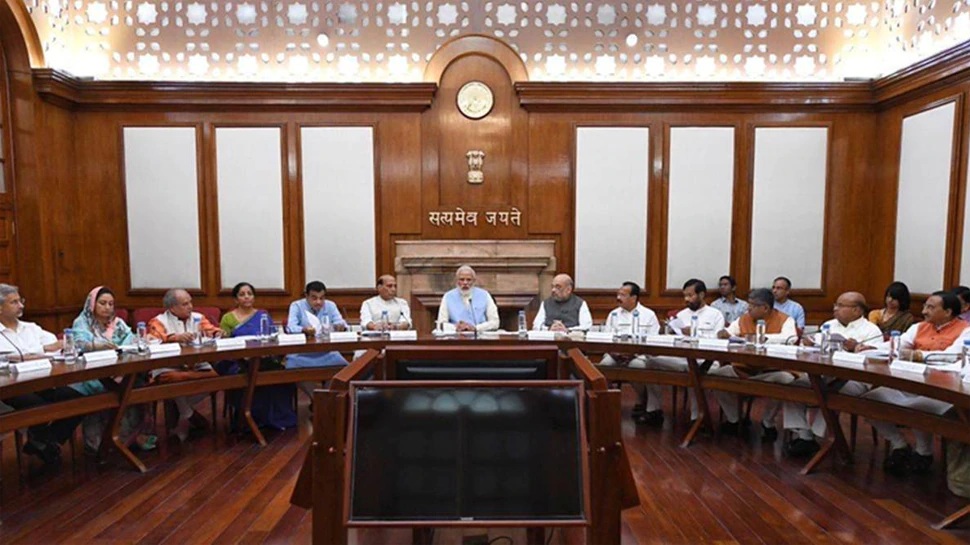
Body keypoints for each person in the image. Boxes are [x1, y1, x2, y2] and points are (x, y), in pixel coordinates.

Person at [861, 290, 970, 475]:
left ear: (948, 312)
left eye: (931, 307)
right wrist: (869, 347)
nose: (924, 311)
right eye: (925, 306)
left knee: (920, 407)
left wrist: (918, 355)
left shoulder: (966, 330)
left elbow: (952, 356)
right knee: (869, 400)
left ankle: (923, 452)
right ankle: (899, 444)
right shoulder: (919, 327)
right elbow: (898, 345)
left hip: (942, 389)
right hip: (909, 383)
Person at [781, 292, 883, 457]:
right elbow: (814, 347)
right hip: (823, 375)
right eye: (836, 304)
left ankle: (821, 437)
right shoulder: (829, 325)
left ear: (857, 310)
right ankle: (805, 436)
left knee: (829, 394)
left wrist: (856, 348)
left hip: (854, 379)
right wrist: (808, 343)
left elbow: (875, 361)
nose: (835, 308)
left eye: (841, 305)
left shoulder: (871, 331)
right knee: (793, 388)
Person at [0, 284, 78, 466]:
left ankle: (42, 441)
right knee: (38, 406)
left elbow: (56, 344)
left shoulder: (31, 328)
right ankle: (44, 443)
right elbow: (6, 359)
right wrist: (40, 350)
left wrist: (32, 353)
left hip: (41, 381)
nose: (21, 306)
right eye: (14, 302)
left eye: (21, 300)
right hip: (11, 387)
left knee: (75, 398)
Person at [72, 286, 156, 452]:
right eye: (102, 303)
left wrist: (144, 338)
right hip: (93, 374)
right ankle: (101, 443)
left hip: (119, 370)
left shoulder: (117, 323)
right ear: (92, 304)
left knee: (135, 385)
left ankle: (130, 439)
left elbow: (131, 338)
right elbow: (78, 344)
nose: (107, 307)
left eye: (111, 304)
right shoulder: (82, 322)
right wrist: (96, 346)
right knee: (120, 388)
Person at [711, 288, 797, 438]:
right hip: (743, 369)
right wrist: (723, 334)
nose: (748, 308)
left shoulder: (785, 320)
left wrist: (762, 338)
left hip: (770, 371)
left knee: (786, 380)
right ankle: (735, 419)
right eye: (749, 304)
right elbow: (729, 332)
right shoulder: (744, 319)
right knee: (715, 376)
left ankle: (768, 422)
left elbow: (791, 338)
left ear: (765, 308)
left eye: (753, 305)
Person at [639, 279, 725, 426]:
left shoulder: (715, 315)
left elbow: (718, 340)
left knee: (694, 371)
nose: (686, 299)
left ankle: (697, 418)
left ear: (701, 295)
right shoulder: (682, 315)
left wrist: (695, 333)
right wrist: (669, 332)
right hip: (682, 359)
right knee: (651, 363)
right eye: (685, 295)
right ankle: (654, 410)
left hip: (706, 361)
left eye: (690, 295)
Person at [147, 288, 222, 441]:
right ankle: (189, 413)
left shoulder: (198, 317)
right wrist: (174, 338)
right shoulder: (158, 321)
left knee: (217, 376)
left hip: (195, 364)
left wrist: (217, 333)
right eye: (185, 304)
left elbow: (211, 330)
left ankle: (182, 406)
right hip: (169, 365)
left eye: (190, 302)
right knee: (168, 378)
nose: (190, 307)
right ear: (172, 308)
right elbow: (155, 338)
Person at [219, 282, 296, 430]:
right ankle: (249, 420)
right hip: (238, 361)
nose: (246, 297)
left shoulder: (263, 315)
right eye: (242, 294)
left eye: (249, 294)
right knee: (247, 376)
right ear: (235, 299)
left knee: (279, 374)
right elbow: (224, 343)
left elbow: (272, 336)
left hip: (264, 358)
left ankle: (279, 419)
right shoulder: (228, 318)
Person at [597, 282, 660, 423]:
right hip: (615, 354)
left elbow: (653, 339)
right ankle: (605, 402)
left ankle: (641, 399)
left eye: (623, 295)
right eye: (618, 294)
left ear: (634, 298)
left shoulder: (649, 315)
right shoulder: (613, 314)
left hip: (640, 355)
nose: (618, 298)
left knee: (637, 366)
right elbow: (607, 337)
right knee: (604, 366)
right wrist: (615, 353)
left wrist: (633, 354)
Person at [285, 280, 349, 369]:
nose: (318, 302)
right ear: (306, 296)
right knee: (292, 365)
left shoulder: (330, 305)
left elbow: (341, 323)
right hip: (301, 353)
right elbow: (290, 327)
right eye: (314, 298)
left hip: (327, 352)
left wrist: (341, 327)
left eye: (322, 298)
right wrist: (303, 330)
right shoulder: (297, 306)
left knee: (346, 369)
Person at [436, 265, 500, 332]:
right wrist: (456, 327)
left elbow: (495, 322)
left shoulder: (485, 295)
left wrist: (476, 328)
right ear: (456, 281)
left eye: (468, 280)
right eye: (462, 279)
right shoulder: (448, 296)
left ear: (474, 281)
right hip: (455, 336)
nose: (465, 283)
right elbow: (440, 324)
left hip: (480, 335)